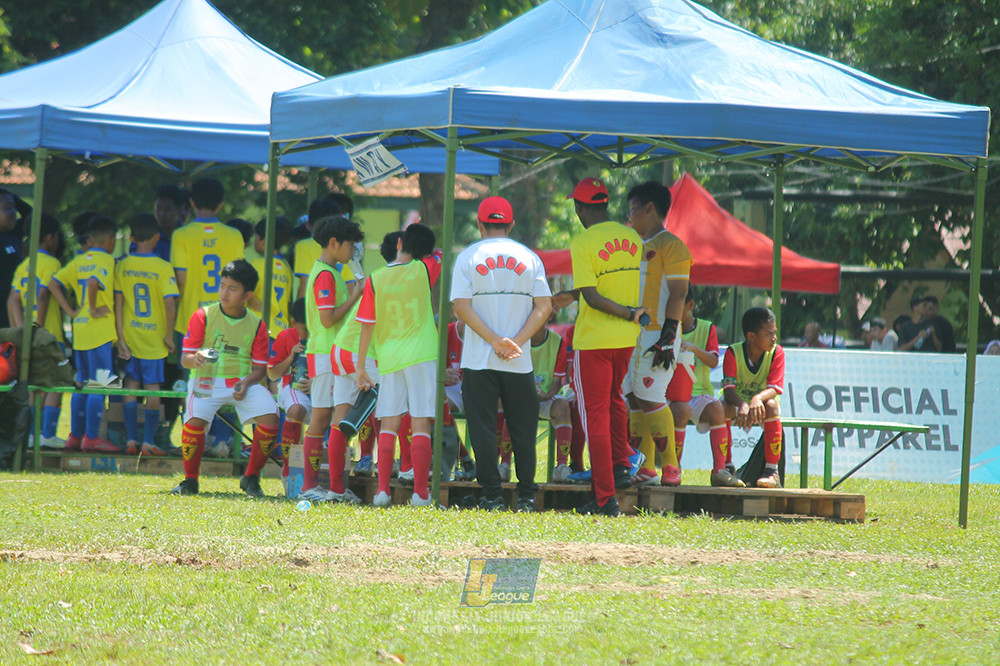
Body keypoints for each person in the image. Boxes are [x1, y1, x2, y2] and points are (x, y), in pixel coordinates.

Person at [451, 197, 552, 512]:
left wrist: (495, 341)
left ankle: (492, 496)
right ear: (511, 225)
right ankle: (526, 497)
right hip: (518, 361)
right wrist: (516, 342)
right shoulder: (529, 257)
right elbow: (545, 306)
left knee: (481, 428)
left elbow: (461, 307)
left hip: (479, 360)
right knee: (523, 428)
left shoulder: (468, 256)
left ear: (480, 225)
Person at [552, 177, 646, 517]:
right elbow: (606, 283)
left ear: (579, 208)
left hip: (593, 341)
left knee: (594, 417)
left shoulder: (583, 242)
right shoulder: (632, 237)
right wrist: (630, 316)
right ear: (605, 203)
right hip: (625, 339)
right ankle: (621, 466)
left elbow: (592, 295)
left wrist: (626, 312)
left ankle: (605, 498)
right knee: (614, 402)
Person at [170, 260, 279, 497]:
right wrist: (196, 358)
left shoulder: (257, 324)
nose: (224, 292)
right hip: (206, 380)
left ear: (247, 295)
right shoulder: (203, 316)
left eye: (232, 288)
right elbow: (185, 359)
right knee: (194, 420)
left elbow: (261, 369)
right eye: (222, 286)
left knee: (271, 416)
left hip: (241, 381)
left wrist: (247, 383)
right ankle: (191, 481)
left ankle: (251, 478)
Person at [356, 223, 443, 508]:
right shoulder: (425, 268)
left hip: (389, 356)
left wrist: (360, 367)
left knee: (389, 421)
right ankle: (420, 494)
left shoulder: (375, 278)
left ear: (398, 243)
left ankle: (382, 492)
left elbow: (366, 326)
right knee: (420, 421)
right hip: (422, 354)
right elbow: (437, 256)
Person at [622, 181, 691, 488]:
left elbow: (679, 292)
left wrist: (668, 334)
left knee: (651, 397)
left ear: (649, 208)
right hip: (628, 332)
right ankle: (645, 466)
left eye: (633, 209)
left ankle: (671, 467)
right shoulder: (631, 245)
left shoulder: (671, 245)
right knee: (633, 397)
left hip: (658, 332)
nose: (630, 216)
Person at [299, 216, 366, 502]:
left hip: (326, 352)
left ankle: (318, 484)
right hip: (325, 352)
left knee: (327, 417)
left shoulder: (328, 271)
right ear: (334, 243)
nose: (353, 251)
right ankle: (312, 484)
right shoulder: (326, 275)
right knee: (324, 418)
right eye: (350, 245)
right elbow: (327, 320)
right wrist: (355, 295)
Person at [48, 215, 119, 453]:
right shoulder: (107, 260)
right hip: (99, 332)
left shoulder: (80, 260)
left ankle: (75, 437)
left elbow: (53, 284)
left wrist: (71, 311)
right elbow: (92, 282)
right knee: (99, 384)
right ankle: (91, 437)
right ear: (110, 240)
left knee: (81, 382)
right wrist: (93, 306)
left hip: (80, 331)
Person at [114, 213, 180, 456]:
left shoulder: (123, 265)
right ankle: (148, 441)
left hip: (130, 335)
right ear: (157, 237)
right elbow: (170, 304)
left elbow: (118, 304)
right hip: (155, 337)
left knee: (131, 384)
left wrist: (120, 338)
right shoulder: (163, 267)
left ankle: (131, 438)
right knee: (152, 386)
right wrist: (169, 335)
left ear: (130, 238)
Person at [666, 286, 743, 487]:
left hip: (699, 393)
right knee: (680, 410)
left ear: (690, 305)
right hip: (670, 395)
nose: (670, 308)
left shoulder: (707, 328)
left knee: (717, 408)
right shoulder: (665, 326)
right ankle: (674, 468)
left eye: (675, 304)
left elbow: (712, 361)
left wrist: (693, 348)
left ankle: (720, 469)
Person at [9, 213, 66, 449]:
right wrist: (38, 330)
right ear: (51, 238)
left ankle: (31, 434)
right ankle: (47, 434)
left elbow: (12, 299)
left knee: (34, 387)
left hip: (27, 336)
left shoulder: (24, 264)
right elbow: (43, 295)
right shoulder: (52, 263)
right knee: (56, 384)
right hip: (49, 335)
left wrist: (21, 330)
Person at [170, 178, 246, 353]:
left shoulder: (181, 235)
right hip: (225, 316)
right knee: (222, 375)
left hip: (191, 317)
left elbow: (180, 280)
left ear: (192, 202)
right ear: (220, 205)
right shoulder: (234, 235)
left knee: (192, 375)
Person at [721, 306, 786, 488]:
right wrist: (743, 404)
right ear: (751, 336)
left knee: (773, 406)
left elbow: (774, 389)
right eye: (769, 333)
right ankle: (726, 467)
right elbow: (728, 389)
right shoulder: (733, 352)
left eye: (775, 333)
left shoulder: (777, 353)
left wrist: (756, 399)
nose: (774, 338)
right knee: (723, 407)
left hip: (761, 405)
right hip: (737, 404)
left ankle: (772, 471)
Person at [267, 297, 311, 489]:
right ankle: (289, 470)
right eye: (305, 328)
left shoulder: (327, 334)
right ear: (294, 323)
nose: (309, 333)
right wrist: (291, 357)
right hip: (291, 387)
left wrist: (317, 381)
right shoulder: (285, 336)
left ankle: (330, 477)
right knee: (296, 409)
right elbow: (272, 373)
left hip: (323, 388)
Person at [529, 321, 574, 482]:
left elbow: (557, 381)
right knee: (508, 404)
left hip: (545, 396)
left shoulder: (557, 341)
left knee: (563, 406)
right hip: (521, 396)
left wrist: (547, 395)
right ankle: (504, 464)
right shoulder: (519, 339)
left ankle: (562, 466)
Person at [248, 216, 294, 338]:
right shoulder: (286, 268)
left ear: (264, 240)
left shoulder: (256, 264)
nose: (255, 241)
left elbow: (246, 295)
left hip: (260, 328)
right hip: (282, 331)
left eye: (256, 236)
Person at [293, 197, 342, 300]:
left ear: (308, 225)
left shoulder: (303, 246)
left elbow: (305, 284)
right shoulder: (344, 246)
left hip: (315, 311)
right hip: (341, 311)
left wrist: (299, 313)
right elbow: (350, 286)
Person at [0, 188, 27, 329]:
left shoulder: (14, 234)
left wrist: (15, 199)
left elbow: (34, 218)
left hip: (14, 312)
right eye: (7, 208)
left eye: (14, 208)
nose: (14, 213)